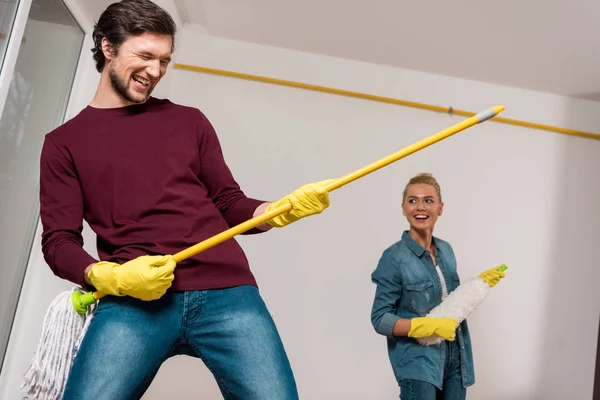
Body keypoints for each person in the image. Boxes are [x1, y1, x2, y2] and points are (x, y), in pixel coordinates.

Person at [39, 1, 332, 398]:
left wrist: (276, 211)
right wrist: (108, 276)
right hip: (134, 298)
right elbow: (59, 242)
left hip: (227, 292)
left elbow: (229, 202)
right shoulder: (63, 144)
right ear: (107, 47)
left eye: (164, 60)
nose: (155, 72)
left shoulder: (189, 121)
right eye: (145, 56)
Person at [369, 173, 504, 399]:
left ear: (440, 208)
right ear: (403, 208)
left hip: (456, 359)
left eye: (428, 200)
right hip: (419, 363)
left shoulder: (446, 251)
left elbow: (453, 304)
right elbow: (380, 319)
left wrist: (478, 285)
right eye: (412, 200)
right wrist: (423, 326)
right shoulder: (394, 258)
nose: (420, 207)